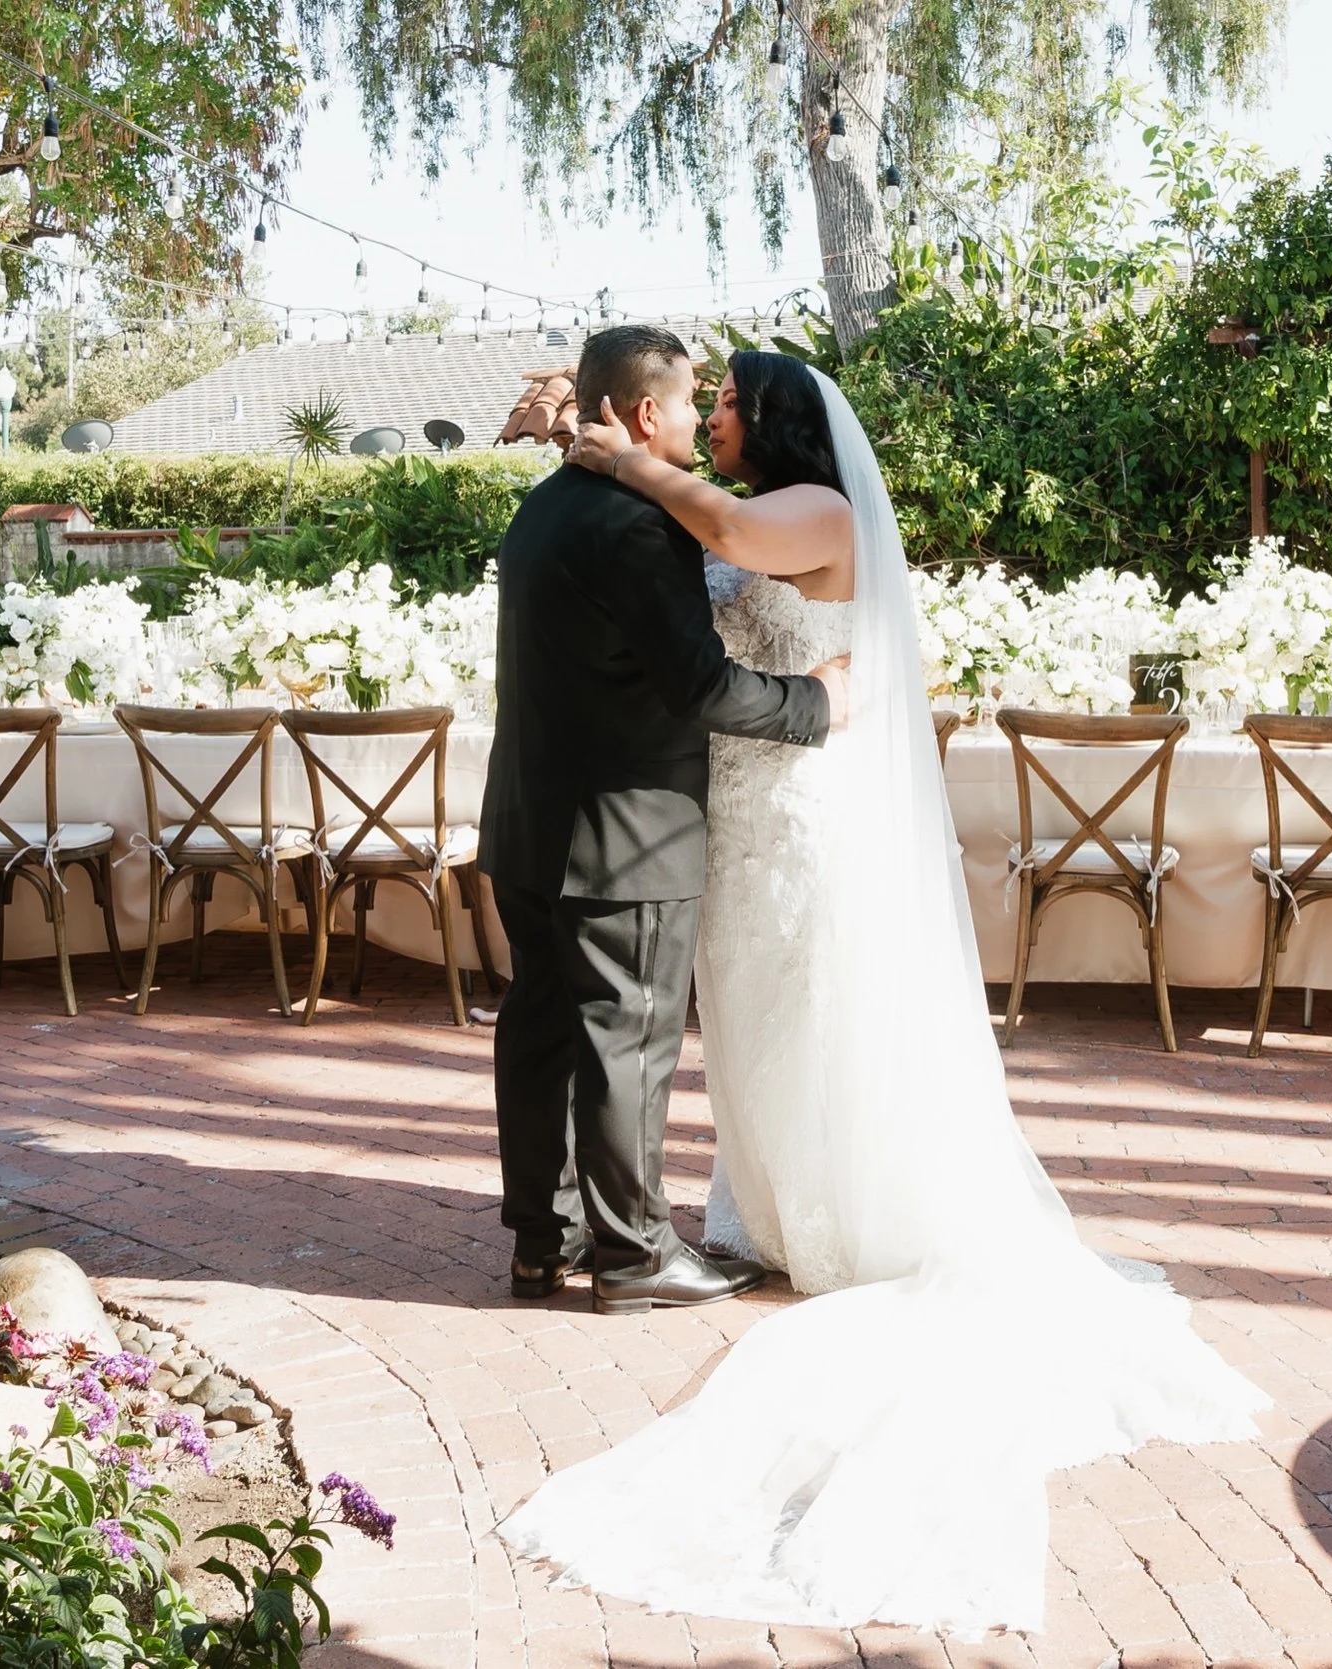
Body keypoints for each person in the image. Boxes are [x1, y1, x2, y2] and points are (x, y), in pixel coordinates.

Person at [495, 352, 1271, 1634]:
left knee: (800, 1011)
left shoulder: (817, 514)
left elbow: (729, 535)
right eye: (705, 402)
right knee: (741, 1021)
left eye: (730, 403)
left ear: (780, 423)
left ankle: (810, 1217)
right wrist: (591, 442)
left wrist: (600, 441)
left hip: (792, 807)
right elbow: (674, 569)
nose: (715, 418)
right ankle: (754, 1211)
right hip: (732, 816)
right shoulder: (691, 499)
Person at [479, 325, 850, 1318]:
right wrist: (818, 703)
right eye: (692, 402)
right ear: (646, 415)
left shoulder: (544, 508)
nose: (699, 416)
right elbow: (699, 685)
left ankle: (540, 1244)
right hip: (625, 833)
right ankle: (636, 1255)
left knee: (541, 1032)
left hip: (526, 824)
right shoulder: (641, 525)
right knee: (625, 1044)